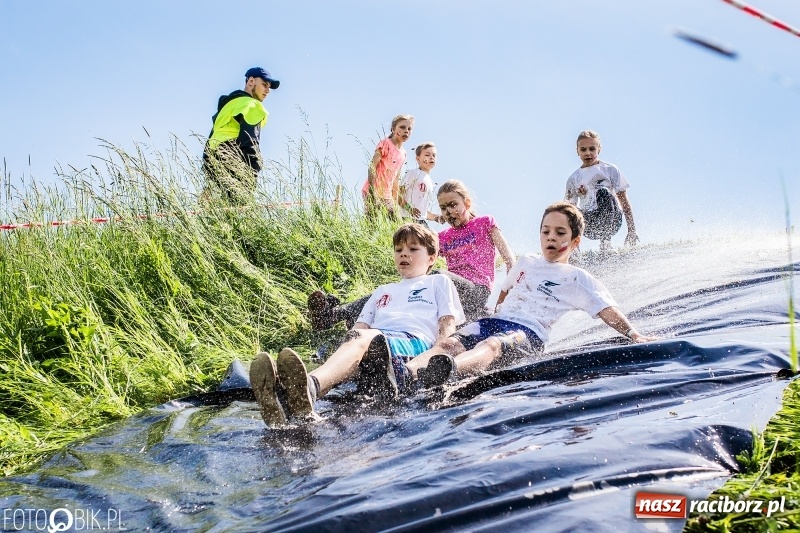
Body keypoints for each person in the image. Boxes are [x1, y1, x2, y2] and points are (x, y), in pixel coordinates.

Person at [413, 201, 658, 388]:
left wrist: (633, 334)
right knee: (448, 343)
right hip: (495, 321)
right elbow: (506, 289)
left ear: (575, 241)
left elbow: (606, 308)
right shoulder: (526, 262)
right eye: (546, 231)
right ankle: (408, 371)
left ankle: (447, 371)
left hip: (527, 333)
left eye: (560, 233)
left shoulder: (576, 277)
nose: (551, 237)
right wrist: (498, 309)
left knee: (492, 344)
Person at [249, 224, 464, 425]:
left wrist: (433, 359)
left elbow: (447, 324)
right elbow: (359, 328)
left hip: (410, 345)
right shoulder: (382, 290)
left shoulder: (437, 282)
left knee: (363, 339)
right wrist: (345, 349)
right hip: (373, 345)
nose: (404, 254)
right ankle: (285, 400)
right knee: (357, 339)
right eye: (398, 250)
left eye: (413, 249)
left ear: (432, 257)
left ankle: (310, 387)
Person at [309, 179, 515, 329]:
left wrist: (506, 301)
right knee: (396, 288)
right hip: (446, 291)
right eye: (443, 208)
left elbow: (509, 260)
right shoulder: (443, 236)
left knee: (438, 276)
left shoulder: (484, 223)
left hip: (476, 291)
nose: (449, 211)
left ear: (466, 204)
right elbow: (424, 257)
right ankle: (333, 315)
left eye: (454, 205)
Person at [202, 67, 280, 204]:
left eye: (269, 87)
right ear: (251, 81)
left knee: (214, 209)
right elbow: (249, 142)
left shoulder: (227, 106)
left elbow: (211, 137)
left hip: (212, 158)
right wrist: (253, 175)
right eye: (264, 84)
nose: (267, 90)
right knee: (237, 210)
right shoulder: (251, 105)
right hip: (233, 156)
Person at [564, 130, 639, 251]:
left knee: (603, 192)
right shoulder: (573, 178)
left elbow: (624, 201)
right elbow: (569, 210)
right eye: (583, 149)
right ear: (577, 151)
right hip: (590, 224)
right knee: (568, 210)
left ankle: (606, 243)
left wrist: (632, 230)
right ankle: (575, 250)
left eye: (592, 149)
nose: (588, 153)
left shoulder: (610, 169)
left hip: (612, 219)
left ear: (599, 149)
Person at [361, 114, 414, 219]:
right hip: (373, 191)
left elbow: (395, 180)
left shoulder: (403, 154)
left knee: (395, 224)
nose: (406, 131)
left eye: (409, 129)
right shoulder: (385, 144)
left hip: (387, 196)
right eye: (402, 127)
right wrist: (372, 192)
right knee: (372, 223)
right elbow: (372, 166)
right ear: (393, 129)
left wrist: (396, 200)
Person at [398, 142, 445, 227]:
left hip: (421, 221)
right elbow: (397, 195)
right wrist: (409, 209)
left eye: (434, 155)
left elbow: (421, 211)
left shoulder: (430, 182)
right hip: (407, 219)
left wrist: (435, 217)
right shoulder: (413, 173)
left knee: (433, 239)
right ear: (418, 159)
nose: (431, 157)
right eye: (427, 155)